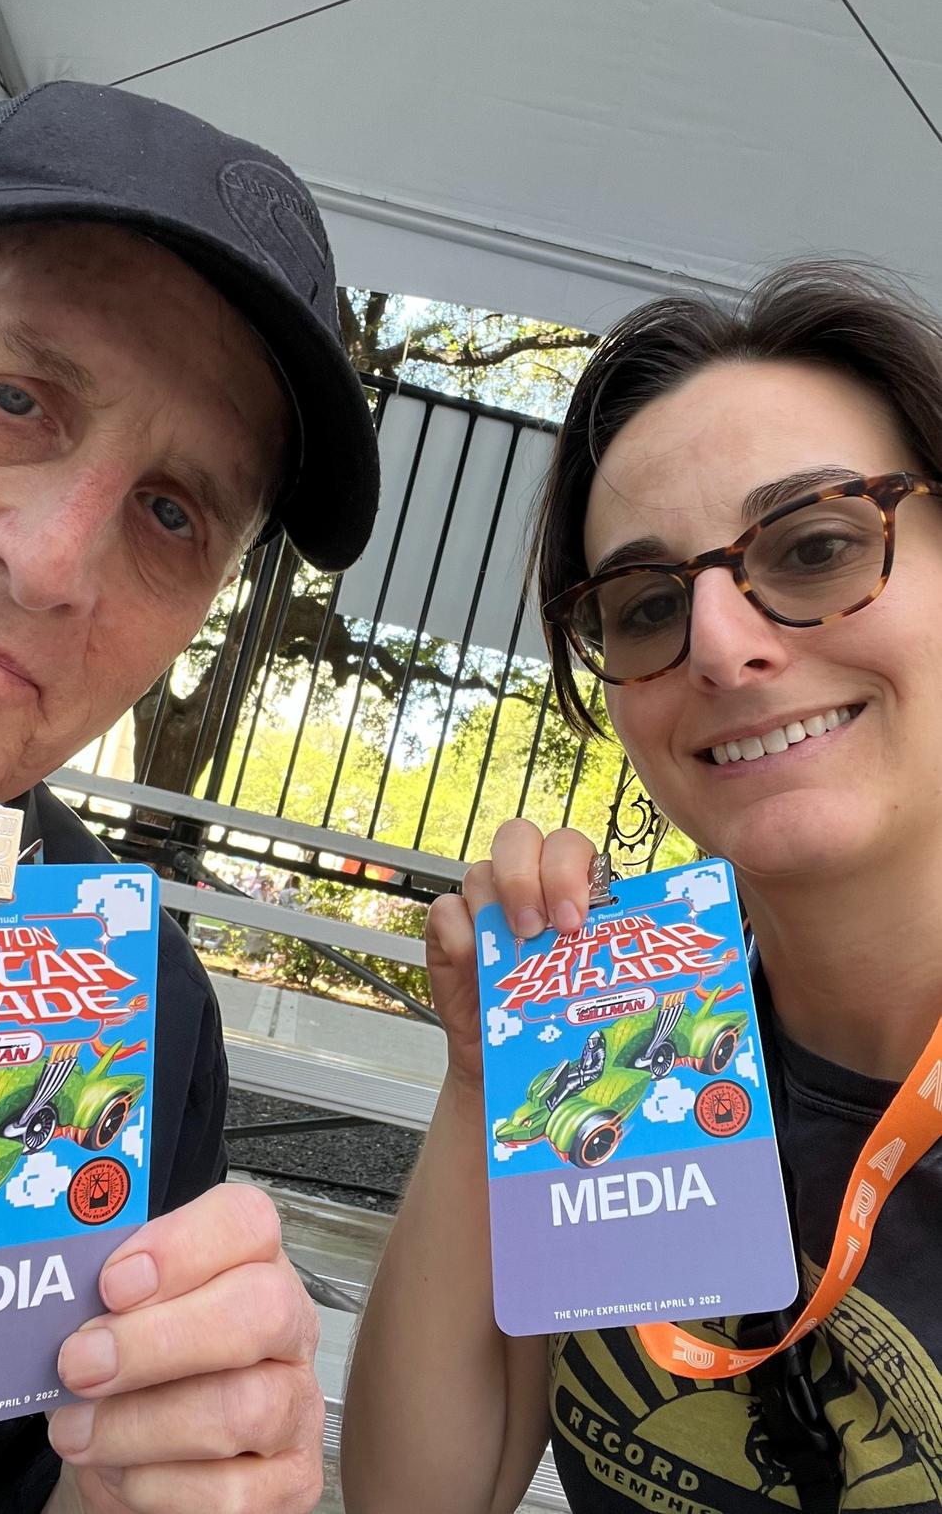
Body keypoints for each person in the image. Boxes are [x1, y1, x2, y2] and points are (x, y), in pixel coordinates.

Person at [0, 79, 378, 1514]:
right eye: (13, 396)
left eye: (172, 512)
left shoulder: (132, 1012)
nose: (58, 560)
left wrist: (138, 1485)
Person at [342, 263, 942, 1512]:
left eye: (818, 544)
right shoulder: (627, 1027)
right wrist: (482, 1072)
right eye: (648, 603)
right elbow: (422, 1498)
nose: (721, 646)